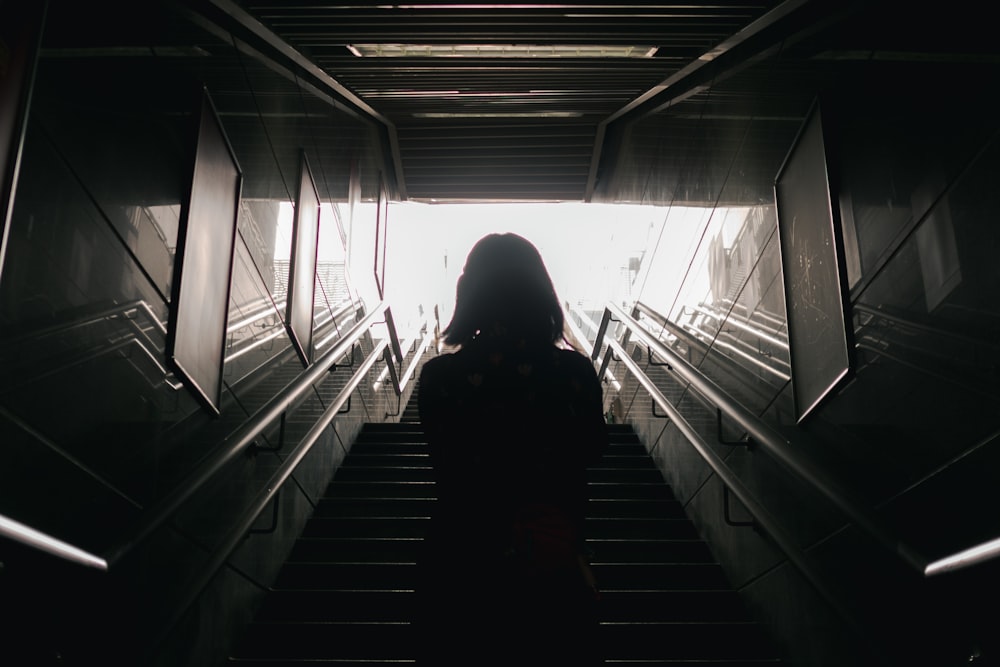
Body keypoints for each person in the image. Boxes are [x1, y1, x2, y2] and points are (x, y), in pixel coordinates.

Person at [416, 233, 608, 665]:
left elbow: (443, 464)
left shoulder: (440, 377)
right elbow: (594, 449)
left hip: (458, 567)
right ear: (541, 291)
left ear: (470, 294)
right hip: (550, 565)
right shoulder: (573, 373)